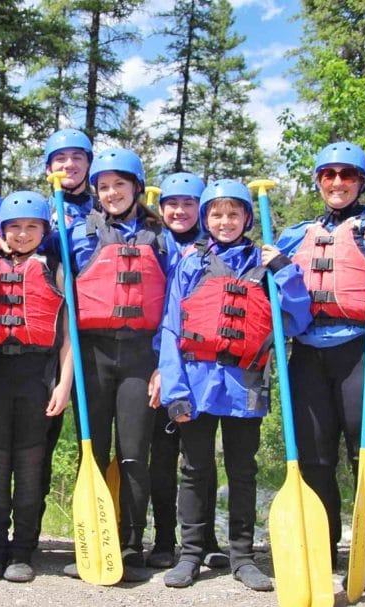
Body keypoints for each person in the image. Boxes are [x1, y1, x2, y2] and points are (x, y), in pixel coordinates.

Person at [269, 142, 365, 591]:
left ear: (361, 181)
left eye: (347, 175)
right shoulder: (295, 234)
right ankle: (323, 549)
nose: (337, 182)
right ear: (318, 181)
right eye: (328, 175)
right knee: (317, 459)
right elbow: (268, 291)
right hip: (308, 352)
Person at [158, 179, 312, 591]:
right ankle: (190, 553)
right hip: (196, 380)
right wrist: (174, 390)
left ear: (247, 217)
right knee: (194, 469)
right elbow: (172, 326)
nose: (225, 222)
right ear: (206, 220)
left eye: (233, 214)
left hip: (244, 382)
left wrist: (285, 271)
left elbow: (298, 319)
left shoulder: (264, 264)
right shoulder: (191, 262)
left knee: (242, 470)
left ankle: (242, 555)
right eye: (216, 214)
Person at [60, 147, 174, 581]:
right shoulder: (78, 231)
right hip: (94, 352)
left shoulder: (160, 238)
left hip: (140, 355)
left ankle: (130, 544)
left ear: (137, 189)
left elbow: (173, 304)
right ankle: (90, 540)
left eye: (119, 185)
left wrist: (165, 363)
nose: (110, 193)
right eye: (103, 187)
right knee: (91, 450)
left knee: (132, 454)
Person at [0, 191, 72, 583]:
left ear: (44, 230)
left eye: (32, 227)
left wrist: (64, 384)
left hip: (37, 375)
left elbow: (67, 338)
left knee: (30, 465)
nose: (23, 234)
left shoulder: (56, 267)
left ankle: (23, 547)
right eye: (14, 227)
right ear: (2, 229)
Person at [146, 172, 227, 569]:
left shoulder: (215, 248)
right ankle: (163, 539)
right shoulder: (151, 242)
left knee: (198, 456)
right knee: (160, 454)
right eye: (171, 204)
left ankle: (205, 536)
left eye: (188, 203)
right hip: (154, 358)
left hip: (197, 362)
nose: (179, 210)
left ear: (202, 208)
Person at [37, 128, 94, 539]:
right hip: (49, 336)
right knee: (41, 438)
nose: (69, 165)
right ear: (48, 168)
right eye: (60, 159)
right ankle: (29, 531)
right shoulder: (36, 212)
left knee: (96, 438)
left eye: (77, 157)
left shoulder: (105, 211)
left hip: (97, 337)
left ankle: (96, 531)